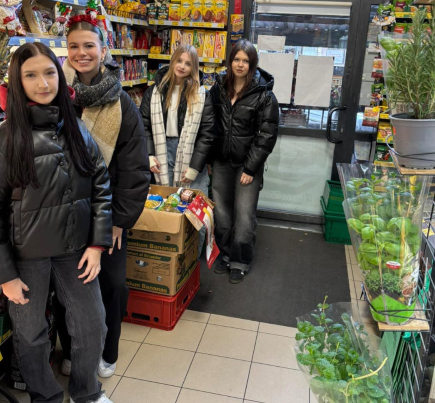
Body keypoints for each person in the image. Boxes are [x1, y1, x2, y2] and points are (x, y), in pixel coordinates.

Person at [0, 43, 113, 403]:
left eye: (49, 73)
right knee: (31, 334)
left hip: (75, 250)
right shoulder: (3, 141)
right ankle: (45, 396)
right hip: (25, 258)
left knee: (93, 324)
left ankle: (87, 392)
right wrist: (4, 275)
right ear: (17, 82)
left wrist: (97, 244)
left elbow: (100, 186)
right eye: (31, 75)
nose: (43, 83)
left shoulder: (76, 130)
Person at [57, 14, 150, 379]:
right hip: (61, 212)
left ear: (103, 49)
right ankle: (72, 348)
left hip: (106, 213)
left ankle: (107, 351)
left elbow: (134, 169)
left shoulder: (121, 103)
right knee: (65, 286)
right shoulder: (53, 94)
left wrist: (119, 221)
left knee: (112, 285)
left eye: (89, 46)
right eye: (74, 46)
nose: (81, 53)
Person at [210, 39, 279, 284]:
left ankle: (239, 261)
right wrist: (208, 158)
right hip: (220, 162)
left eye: (246, 61)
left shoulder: (265, 95)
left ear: (252, 64)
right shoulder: (218, 88)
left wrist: (250, 168)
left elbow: (267, 136)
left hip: (247, 166)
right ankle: (226, 254)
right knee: (221, 215)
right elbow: (210, 125)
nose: (240, 64)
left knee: (244, 216)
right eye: (236, 59)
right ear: (230, 62)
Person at [139, 44, 214, 256]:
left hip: (191, 155)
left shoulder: (202, 95)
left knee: (195, 208)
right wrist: (149, 154)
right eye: (179, 61)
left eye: (188, 63)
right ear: (172, 62)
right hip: (161, 151)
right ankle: (169, 255)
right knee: (166, 205)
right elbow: (144, 125)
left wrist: (195, 167)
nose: (182, 66)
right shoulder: (154, 91)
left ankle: (191, 259)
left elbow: (207, 133)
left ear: (194, 67)